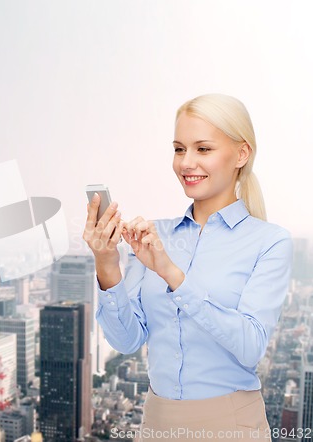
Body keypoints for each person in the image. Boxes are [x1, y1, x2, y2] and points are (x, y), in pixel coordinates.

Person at [82, 93, 293, 441]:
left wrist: (172, 274)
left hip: (232, 425)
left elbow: (251, 345)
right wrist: (107, 265)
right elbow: (127, 341)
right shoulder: (154, 235)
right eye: (179, 149)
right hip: (156, 422)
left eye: (203, 149)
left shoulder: (270, 242)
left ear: (242, 154)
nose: (186, 162)